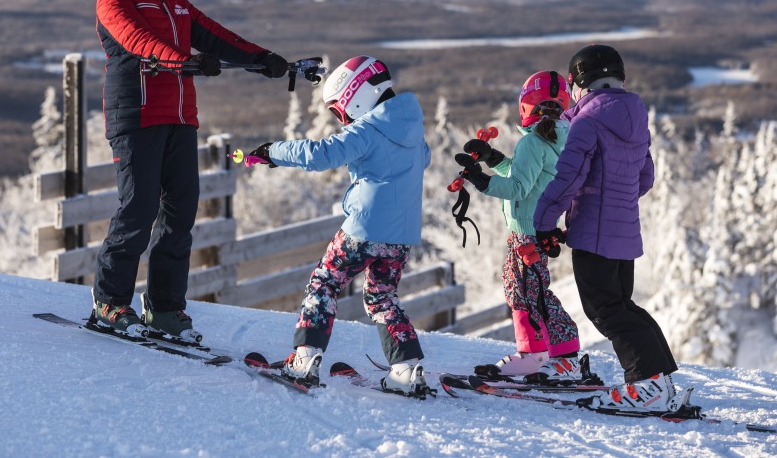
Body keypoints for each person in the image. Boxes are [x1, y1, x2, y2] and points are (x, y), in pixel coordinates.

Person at [91, 0, 290, 342]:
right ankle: (110, 302)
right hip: (137, 116)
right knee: (138, 210)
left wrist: (264, 58)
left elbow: (215, 35)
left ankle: (164, 308)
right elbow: (140, 42)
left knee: (181, 212)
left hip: (181, 118)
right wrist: (185, 62)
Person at [246, 55, 433, 397]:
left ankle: (304, 359)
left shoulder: (368, 128)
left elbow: (322, 154)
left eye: (339, 110)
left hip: (363, 228)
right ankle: (406, 369)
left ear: (356, 95)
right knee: (382, 296)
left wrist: (274, 152)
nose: (342, 119)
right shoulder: (412, 127)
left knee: (324, 283)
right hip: (401, 234)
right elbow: (425, 158)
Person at [532, 44, 685, 414]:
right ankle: (657, 382)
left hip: (593, 234)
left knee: (606, 312)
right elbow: (644, 177)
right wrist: (615, 196)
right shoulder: (634, 116)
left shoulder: (587, 122)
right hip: (625, 234)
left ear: (579, 83)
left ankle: (648, 387)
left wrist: (543, 221)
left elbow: (569, 177)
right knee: (622, 308)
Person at [454, 70, 594, 385]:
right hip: (539, 228)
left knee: (527, 292)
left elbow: (517, 188)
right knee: (530, 291)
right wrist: (493, 158)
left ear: (527, 104)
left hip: (526, 233)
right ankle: (549, 353)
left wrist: (482, 181)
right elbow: (529, 175)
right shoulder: (563, 136)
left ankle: (546, 356)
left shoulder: (534, 140)